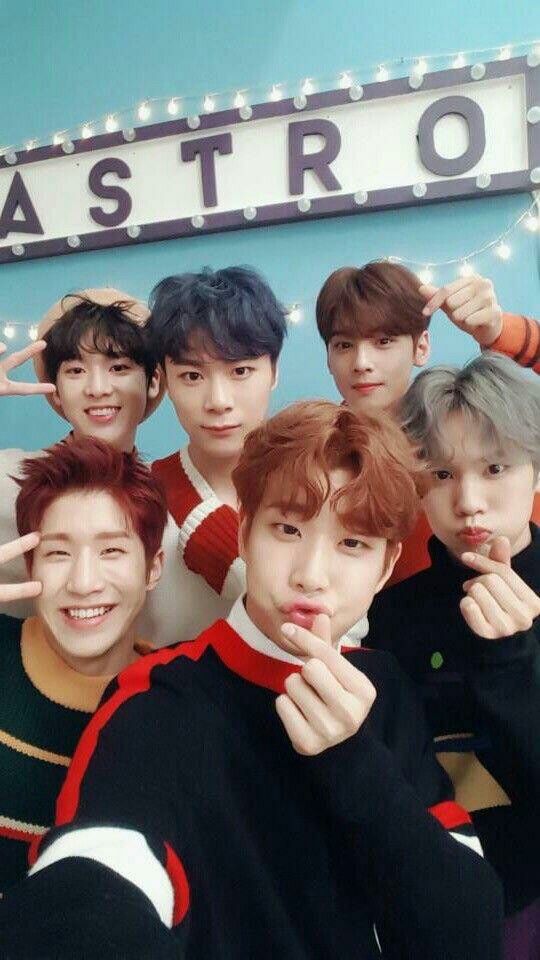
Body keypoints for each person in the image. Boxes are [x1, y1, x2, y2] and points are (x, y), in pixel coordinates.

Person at [0, 400, 503, 959]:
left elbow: (468, 933)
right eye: (287, 529)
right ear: (243, 534)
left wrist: (354, 760)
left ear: (385, 567)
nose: (311, 575)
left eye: (352, 543)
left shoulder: (386, 688)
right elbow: (93, 879)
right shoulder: (159, 697)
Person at [368, 354, 540, 956]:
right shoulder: (390, 613)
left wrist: (513, 659)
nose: (468, 501)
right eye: (441, 473)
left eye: (495, 468)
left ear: (535, 471)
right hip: (434, 902)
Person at [0, 436, 167, 890]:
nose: (83, 582)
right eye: (58, 553)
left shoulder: (179, 698)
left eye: (111, 551)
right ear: (31, 566)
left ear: (153, 568)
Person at [316, 261, 540, 584]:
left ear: (421, 347)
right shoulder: (316, 454)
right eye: (343, 345)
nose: (362, 363)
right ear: (328, 357)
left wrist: (501, 332)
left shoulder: (477, 428)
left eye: (383, 341)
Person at [141, 265, 288, 645]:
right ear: (164, 380)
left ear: (273, 372)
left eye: (240, 371)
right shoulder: (141, 497)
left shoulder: (317, 485)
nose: (218, 401)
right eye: (192, 376)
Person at [0, 288, 163, 620]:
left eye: (119, 367)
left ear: (153, 381)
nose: (98, 388)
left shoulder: (166, 497)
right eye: (76, 371)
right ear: (56, 392)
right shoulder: (7, 479)